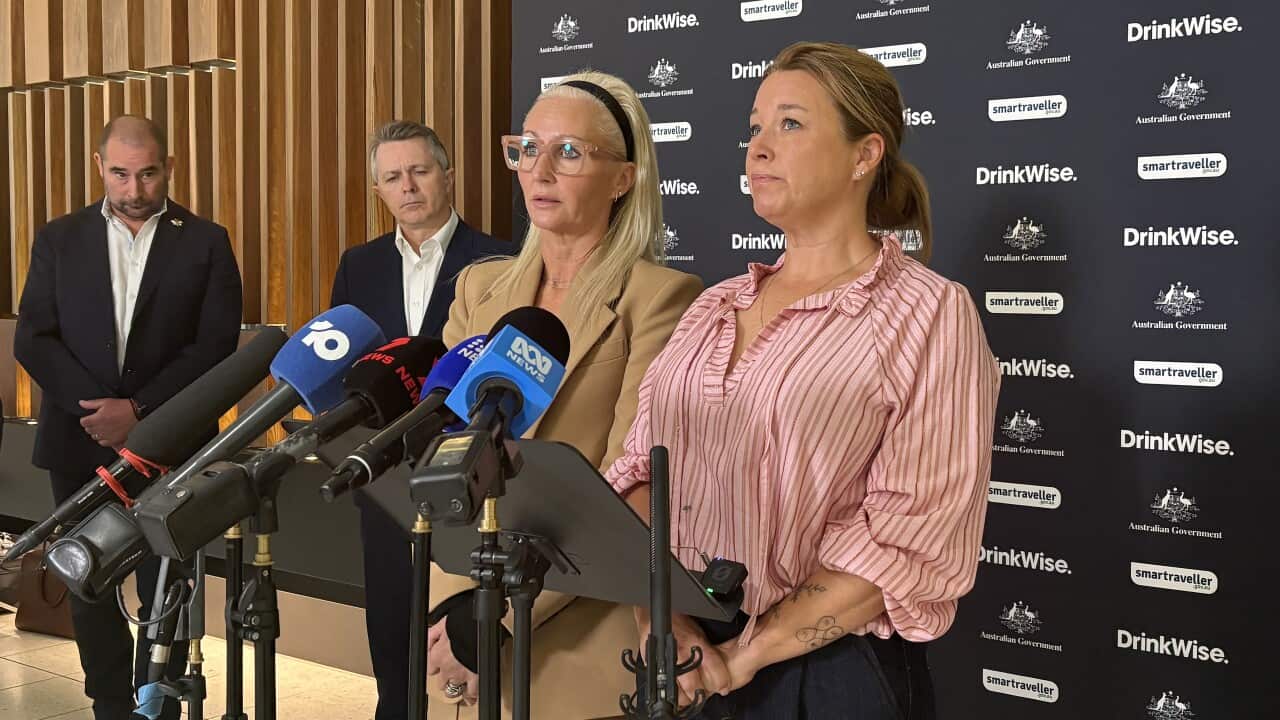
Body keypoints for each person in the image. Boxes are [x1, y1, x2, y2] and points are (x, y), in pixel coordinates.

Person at [606, 41, 1001, 719]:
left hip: (830, 675)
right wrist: (660, 618)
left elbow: (905, 541)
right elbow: (642, 469)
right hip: (688, 658)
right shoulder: (712, 305)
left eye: (790, 124)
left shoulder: (930, 313)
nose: (759, 147)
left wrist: (749, 656)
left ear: (864, 154)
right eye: (755, 127)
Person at [425, 71, 703, 718]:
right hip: (457, 622)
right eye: (526, 147)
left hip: (570, 638)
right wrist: (460, 609)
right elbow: (444, 450)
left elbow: (624, 490)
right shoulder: (478, 290)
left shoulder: (660, 299)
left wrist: (498, 615)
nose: (538, 169)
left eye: (569, 152)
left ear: (623, 178)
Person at [14, 115, 243, 720]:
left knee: (167, 584)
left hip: (174, 444)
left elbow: (215, 346)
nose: (134, 188)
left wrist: (138, 413)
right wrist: (98, 412)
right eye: (120, 173)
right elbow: (34, 339)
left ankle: (158, 707)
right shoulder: (59, 238)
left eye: (147, 173)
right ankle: (110, 705)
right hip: (77, 437)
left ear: (168, 167)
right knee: (87, 580)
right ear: (99, 167)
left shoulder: (207, 240)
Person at [329, 119, 508, 720]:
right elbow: (343, 368)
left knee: (457, 634)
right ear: (378, 190)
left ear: (448, 176)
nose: (408, 186)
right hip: (382, 480)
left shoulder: (500, 259)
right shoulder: (358, 265)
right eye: (392, 177)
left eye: (420, 171)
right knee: (391, 628)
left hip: (465, 478)